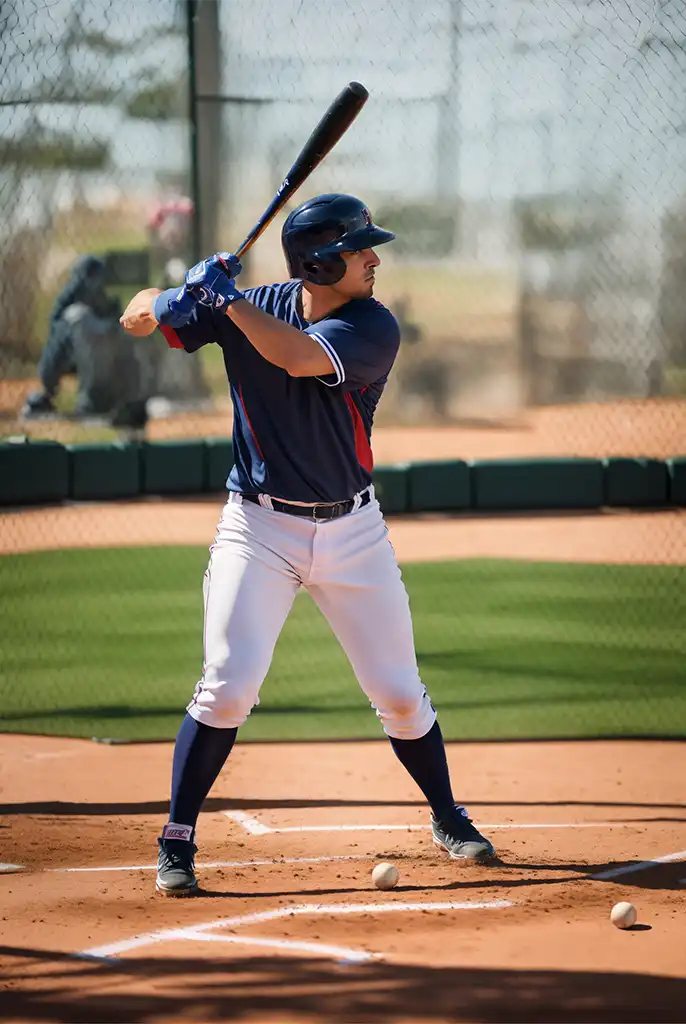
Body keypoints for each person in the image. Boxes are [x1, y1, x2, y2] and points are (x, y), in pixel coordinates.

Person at [120, 192, 495, 897]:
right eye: (360, 251)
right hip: (258, 527)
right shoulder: (246, 300)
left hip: (354, 532)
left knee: (400, 695)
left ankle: (449, 816)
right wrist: (182, 292)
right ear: (322, 260)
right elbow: (135, 314)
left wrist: (224, 300)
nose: (375, 259)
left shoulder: (371, 325)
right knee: (228, 686)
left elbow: (293, 357)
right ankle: (176, 834)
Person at [22, 254, 122, 418]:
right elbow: (53, 354)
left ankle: (106, 400)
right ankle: (91, 401)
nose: (96, 282)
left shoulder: (108, 304)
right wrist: (48, 388)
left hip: (109, 372)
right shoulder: (70, 311)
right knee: (77, 318)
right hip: (75, 358)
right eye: (92, 276)